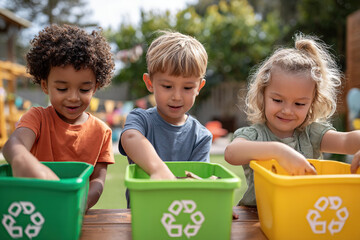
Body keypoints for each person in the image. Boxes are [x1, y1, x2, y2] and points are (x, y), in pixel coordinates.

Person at [224, 33, 360, 207]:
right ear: (262, 95)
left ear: (312, 103)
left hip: (305, 217)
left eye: (299, 103)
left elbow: (347, 141)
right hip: (258, 219)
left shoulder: (312, 134)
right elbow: (232, 153)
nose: (287, 110)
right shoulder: (254, 134)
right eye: (278, 100)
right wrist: (279, 151)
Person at [3, 24, 115, 211]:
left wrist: (79, 203)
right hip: (33, 211)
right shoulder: (37, 118)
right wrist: (25, 162)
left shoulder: (102, 132)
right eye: (62, 89)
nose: (73, 97)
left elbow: (98, 180)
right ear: (45, 86)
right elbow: (13, 146)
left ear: (95, 87)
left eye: (84, 89)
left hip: (74, 213)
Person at [118, 31, 212, 207]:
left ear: (199, 87)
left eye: (187, 87)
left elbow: (198, 181)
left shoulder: (201, 136)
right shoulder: (141, 119)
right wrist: (158, 170)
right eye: (167, 86)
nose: (177, 96)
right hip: (143, 215)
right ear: (150, 83)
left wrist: (214, 202)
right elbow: (130, 137)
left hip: (183, 217)